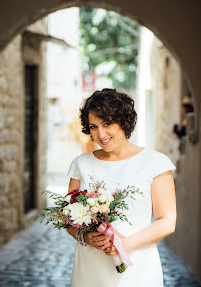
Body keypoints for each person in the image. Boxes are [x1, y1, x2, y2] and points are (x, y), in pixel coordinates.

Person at [66, 88, 176, 287]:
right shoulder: (80, 164)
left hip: (138, 268)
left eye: (107, 123)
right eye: (93, 126)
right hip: (90, 268)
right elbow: (68, 219)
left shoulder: (155, 163)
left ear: (123, 121)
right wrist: (85, 237)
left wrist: (124, 245)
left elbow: (167, 221)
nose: (101, 134)